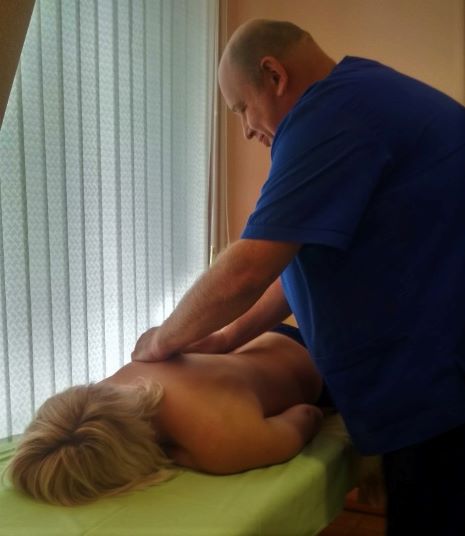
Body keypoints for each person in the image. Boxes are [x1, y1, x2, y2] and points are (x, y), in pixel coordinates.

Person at [131, 19, 465, 535]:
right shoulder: (362, 97)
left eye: (241, 108)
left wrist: (162, 340)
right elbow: (294, 270)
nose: (246, 129)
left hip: (436, 383)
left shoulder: (330, 115)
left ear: (273, 75)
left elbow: (247, 268)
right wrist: (225, 338)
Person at [5, 326, 328, 506]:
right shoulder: (117, 383)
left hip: (316, 363)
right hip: (260, 336)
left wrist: (185, 455)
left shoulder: (220, 443)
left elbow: (308, 415)